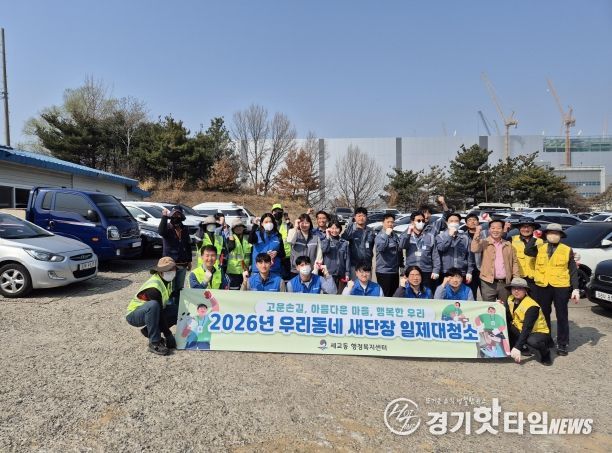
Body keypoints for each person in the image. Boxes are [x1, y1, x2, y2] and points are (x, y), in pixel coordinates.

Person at [524, 223, 580, 356]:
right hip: (542, 285)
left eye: (556, 233)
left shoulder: (567, 249)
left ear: (560, 235)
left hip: (561, 286)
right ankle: (547, 339)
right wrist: (534, 237)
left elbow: (572, 270)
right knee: (544, 314)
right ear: (546, 235)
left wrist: (576, 288)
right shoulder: (540, 247)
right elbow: (527, 251)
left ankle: (562, 344)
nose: (553, 235)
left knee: (562, 315)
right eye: (550, 233)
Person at [125, 257, 179, 356]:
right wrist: (168, 334)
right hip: (134, 315)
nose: (171, 272)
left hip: (152, 312)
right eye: (167, 270)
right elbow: (160, 314)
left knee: (176, 310)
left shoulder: (166, 282)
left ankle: (148, 331)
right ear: (160, 271)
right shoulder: (154, 287)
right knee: (153, 305)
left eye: (172, 269)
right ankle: (154, 342)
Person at [502, 277, 554, 365]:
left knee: (532, 341)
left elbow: (527, 328)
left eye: (520, 288)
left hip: (538, 332)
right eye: (514, 288)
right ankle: (521, 347)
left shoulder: (532, 306)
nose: (516, 291)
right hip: (520, 328)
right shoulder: (510, 299)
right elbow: (508, 316)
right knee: (504, 324)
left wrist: (517, 347)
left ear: (525, 290)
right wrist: (499, 306)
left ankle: (545, 353)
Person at [470, 219, 519, 302]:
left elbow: (514, 262)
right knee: (488, 307)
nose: (495, 230)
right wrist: (477, 232)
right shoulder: (484, 242)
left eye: (499, 228)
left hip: (505, 283)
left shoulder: (508, 244)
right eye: (493, 228)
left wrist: (516, 278)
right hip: (488, 283)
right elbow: (474, 249)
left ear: (503, 230)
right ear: (489, 230)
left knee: (504, 307)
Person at [399, 211, 441, 293]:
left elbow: (435, 255)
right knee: (410, 294)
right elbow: (402, 246)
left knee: (426, 293)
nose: (421, 223)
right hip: (411, 271)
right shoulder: (406, 235)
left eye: (423, 221)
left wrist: (436, 270)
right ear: (412, 222)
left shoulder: (430, 236)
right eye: (418, 220)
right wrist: (408, 233)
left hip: (426, 271)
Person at [159, 206, 193, 304]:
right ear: (171, 215)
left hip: (182, 264)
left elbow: (188, 245)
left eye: (178, 215)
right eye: (174, 214)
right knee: (169, 288)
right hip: (169, 264)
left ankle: (178, 306)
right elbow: (160, 232)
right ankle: (169, 307)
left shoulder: (185, 229)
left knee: (179, 288)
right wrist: (164, 217)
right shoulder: (167, 227)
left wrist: (189, 260)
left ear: (182, 216)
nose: (176, 217)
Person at [436, 213, 474, 283]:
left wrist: (469, 272)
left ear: (459, 223)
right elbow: (441, 249)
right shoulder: (440, 236)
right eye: (451, 221)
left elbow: (470, 256)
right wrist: (450, 236)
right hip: (445, 272)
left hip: (461, 272)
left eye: (456, 221)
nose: (454, 223)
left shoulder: (465, 238)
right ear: (447, 222)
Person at [511, 217, 543, 294]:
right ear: (519, 228)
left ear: (533, 228)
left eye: (529, 227)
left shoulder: (540, 241)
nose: (526, 229)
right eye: (523, 227)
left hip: (534, 278)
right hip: (518, 278)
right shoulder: (512, 240)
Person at [248, 213, 286, 277]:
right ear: (262, 224)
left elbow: (283, 254)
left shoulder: (278, 236)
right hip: (258, 271)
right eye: (266, 222)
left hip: (274, 270)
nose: (269, 223)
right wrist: (255, 225)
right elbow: (250, 240)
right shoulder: (257, 234)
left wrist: (276, 253)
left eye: (270, 222)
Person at [341, 207, 376, 277]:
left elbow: (372, 246)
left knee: (367, 284)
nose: (361, 218)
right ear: (355, 217)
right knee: (354, 283)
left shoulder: (370, 231)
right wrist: (349, 227)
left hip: (367, 265)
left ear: (366, 217)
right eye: (359, 216)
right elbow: (343, 240)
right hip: (354, 266)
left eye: (363, 216)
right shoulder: (351, 230)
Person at [287, 213, 323, 278]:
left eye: (306, 223)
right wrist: (295, 226)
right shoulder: (294, 233)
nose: (304, 225)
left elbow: (319, 254)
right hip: (296, 270)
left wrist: (316, 269)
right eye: (302, 223)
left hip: (310, 270)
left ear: (310, 224)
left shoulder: (315, 237)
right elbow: (289, 241)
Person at [375, 213, 402, 297]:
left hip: (394, 271)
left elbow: (399, 251)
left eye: (392, 222)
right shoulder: (380, 236)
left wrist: (401, 265)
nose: (390, 224)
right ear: (383, 223)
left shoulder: (394, 235)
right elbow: (381, 248)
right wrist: (386, 235)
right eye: (388, 222)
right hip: (384, 271)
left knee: (394, 296)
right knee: (385, 296)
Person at [320, 220, 351, 293]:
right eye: (332, 228)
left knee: (340, 294)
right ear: (328, 229)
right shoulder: (324, 241)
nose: (334, 230)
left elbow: (347, 259)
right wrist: (327, 237)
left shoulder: (344, 243)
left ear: (340, 229)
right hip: (328, 273)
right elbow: (324, 250)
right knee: (329, 293)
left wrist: (347, 273)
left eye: (337, 228)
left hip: (341, 273)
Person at [465, 213, 487, 299]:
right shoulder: (463, 236)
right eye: (469, 220)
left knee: (485, 294)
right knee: (471, 294)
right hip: (468, 270)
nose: (472, 222)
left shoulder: (485, 234)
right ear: (466, 224)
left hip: (483, 268)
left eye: (474, 220)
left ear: (478, 222)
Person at [226, 219, 252, 290]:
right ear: (233, 229)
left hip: (245, 270)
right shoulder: (230, 238)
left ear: (243, 228)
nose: (239, 228)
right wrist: (231, 237)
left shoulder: (247, 238)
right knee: (234, 291)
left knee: (245, 290)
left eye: (240, 226)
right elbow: (230, 247)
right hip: (233, 272)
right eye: (236, 227)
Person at [271, 203, 293, 278]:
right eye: (275, 211)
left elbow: (293, 231)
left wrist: (287, 219)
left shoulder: (287, 225)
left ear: (282, 213)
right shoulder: (269, 225)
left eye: (279, 211)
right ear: (272, 213)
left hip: (286, 256)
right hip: (273, 256)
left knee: (287, 277)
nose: (277, 213)